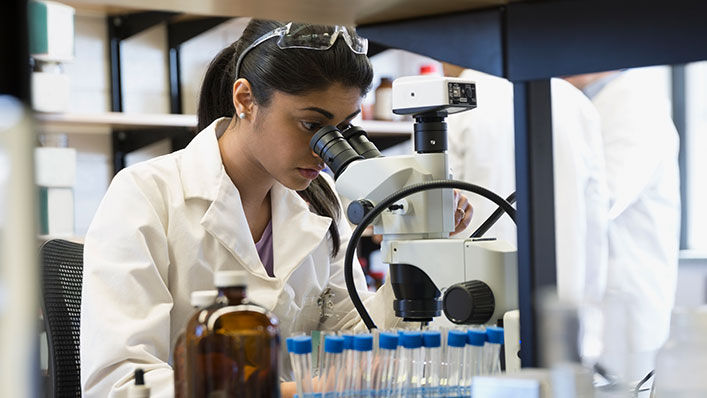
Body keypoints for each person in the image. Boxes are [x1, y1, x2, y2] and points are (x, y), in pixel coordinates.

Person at [79, 20, 473, 397]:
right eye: (309, 125)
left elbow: (354, 340)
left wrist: (420, 249)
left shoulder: (320, 205)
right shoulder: (146, 196)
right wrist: (300, 392)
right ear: (245, 99)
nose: (325, 149)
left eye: (342, 128)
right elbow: (122, 383)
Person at [444, 64, 609, 359]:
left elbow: (441, 212)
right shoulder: (575, 102)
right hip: (560, 311)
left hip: (473, 312)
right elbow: (596, 226)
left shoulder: (457, 101)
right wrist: (589, 320)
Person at [566, 68, 681, 382]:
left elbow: (605, 197)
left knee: (625, 384)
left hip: (626, 300)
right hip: (597, 305)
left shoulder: (634, 101)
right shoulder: (593, 102)